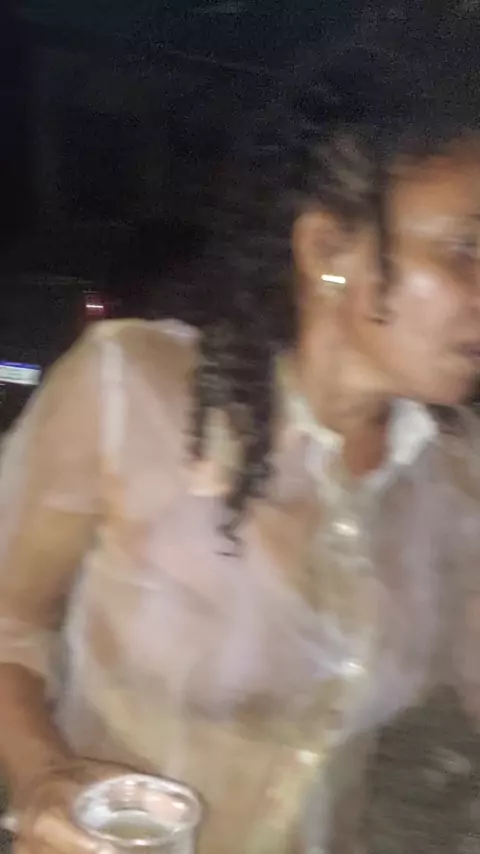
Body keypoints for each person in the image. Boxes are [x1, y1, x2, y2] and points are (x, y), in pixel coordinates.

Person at [0, 24, 479, 854]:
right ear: (328, 249)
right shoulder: (132, 392)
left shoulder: (455, 479)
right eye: (467, 249)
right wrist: (45, 773)